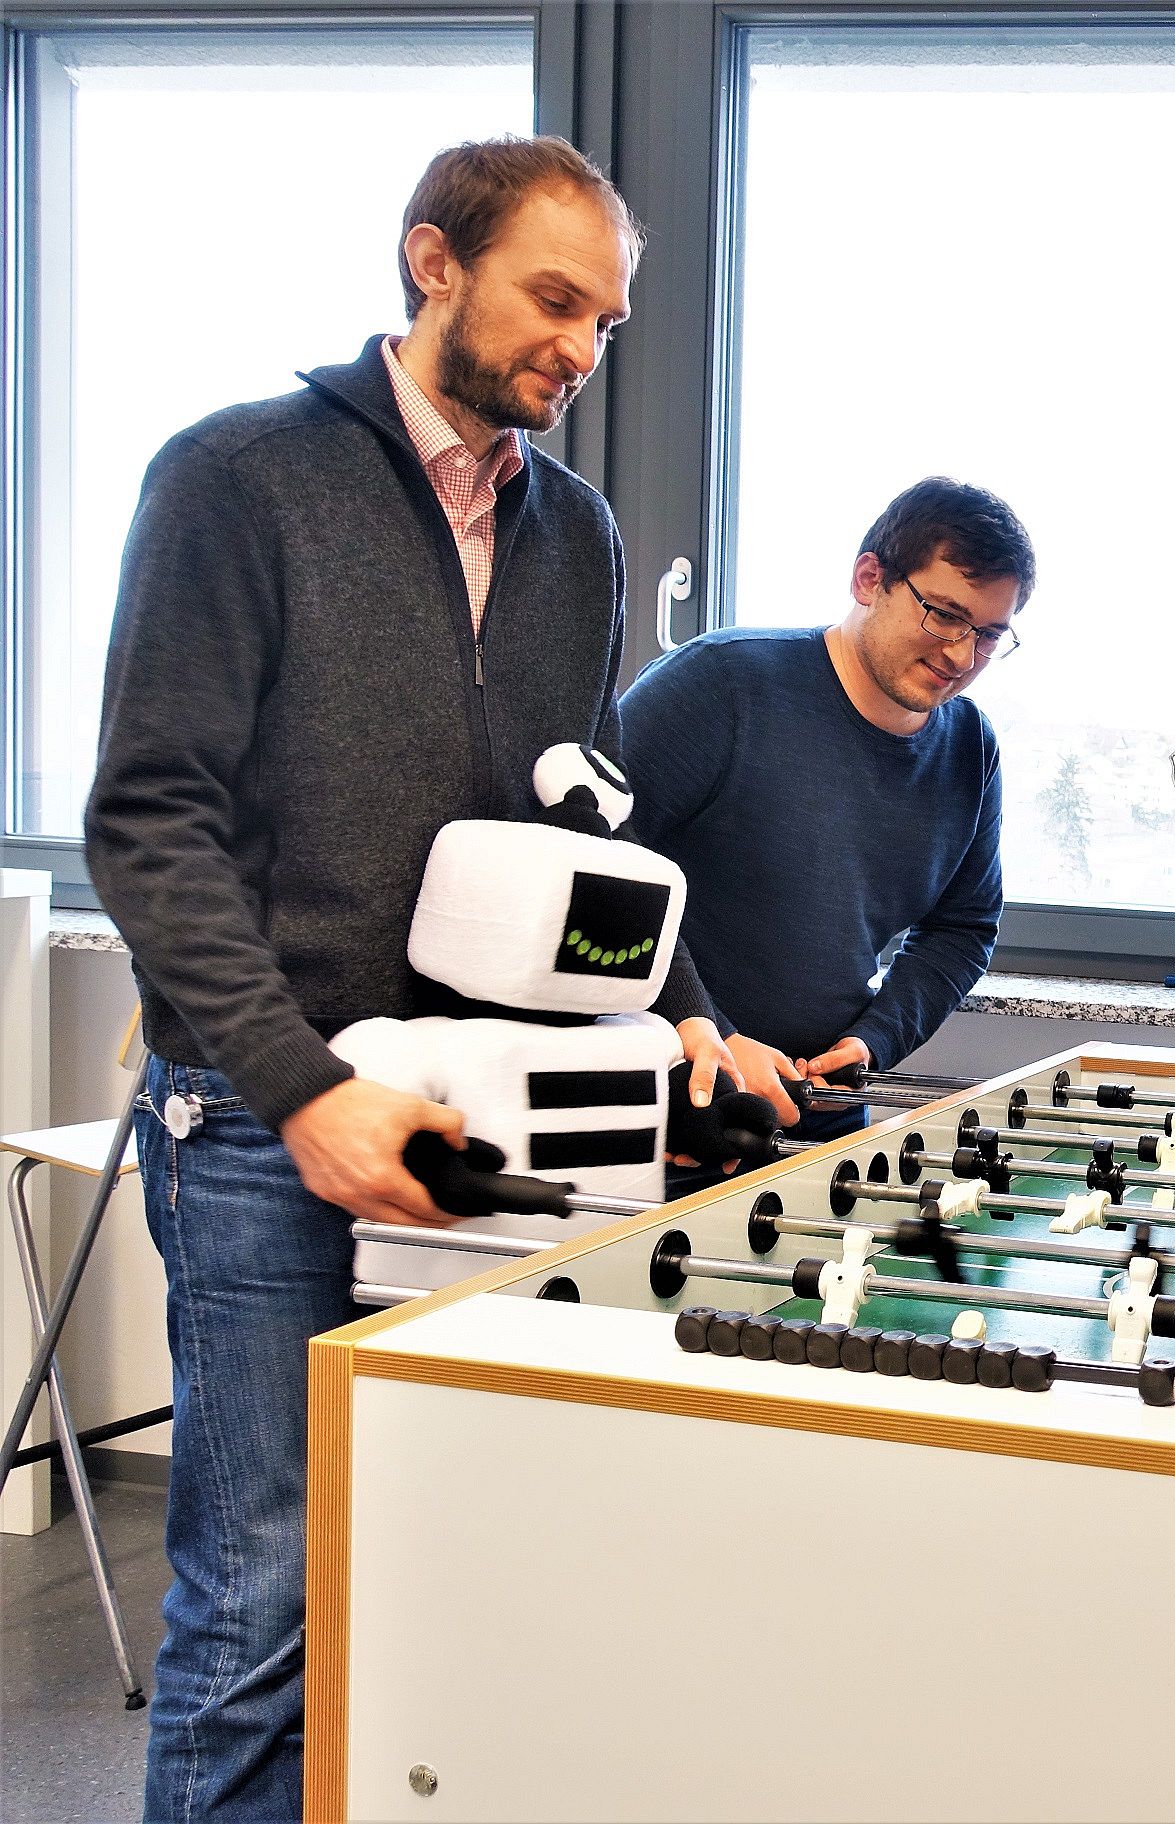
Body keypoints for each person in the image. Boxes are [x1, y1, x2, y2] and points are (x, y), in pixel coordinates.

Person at [85, 136, 737, 1819]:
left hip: (475, 1112)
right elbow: (149, 821)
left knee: (450, 1576)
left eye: (606, 324)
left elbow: (579, 812)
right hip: (263, 1116)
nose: (580, 350)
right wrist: (303, 1088)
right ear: (432, 260)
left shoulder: (576, 532)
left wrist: (686, 1010)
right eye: (553, 300)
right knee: (264, 1599)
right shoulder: (236, 477)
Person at [620, 477, 1025, 1139]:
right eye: (945, 615)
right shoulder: (719, 684)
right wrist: (710, 1029)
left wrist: (874, 1040)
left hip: (824, 1118)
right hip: (671, 1100)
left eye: (989, 635)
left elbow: (962, 929)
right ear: (869, 580)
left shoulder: (970, 748)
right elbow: (600, 855)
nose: (961, 654)